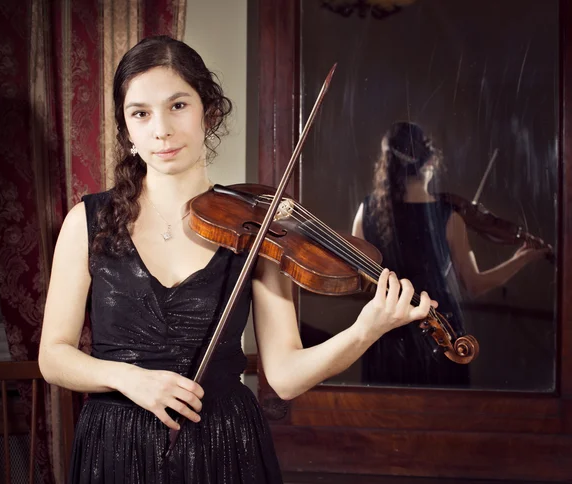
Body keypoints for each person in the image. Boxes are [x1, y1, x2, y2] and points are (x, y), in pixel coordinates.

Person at [38, 37, 436, 484]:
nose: (161, 129)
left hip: (223, 445)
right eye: (141, 113)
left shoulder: (259, 225)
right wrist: (131, 379)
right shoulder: (87, 221)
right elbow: (53, 357)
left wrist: (366, 330)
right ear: (126, 128)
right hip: (114, 445)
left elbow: (285, 376)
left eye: (178, 106)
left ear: (209, 112)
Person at [351, 121, 550, 387]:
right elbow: (474, 285)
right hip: (438, 329)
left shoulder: (366, 211)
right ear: (430, 161)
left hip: (384, 329)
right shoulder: (448, 216)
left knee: (387, 417)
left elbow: (357, 276)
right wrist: (520, 260)